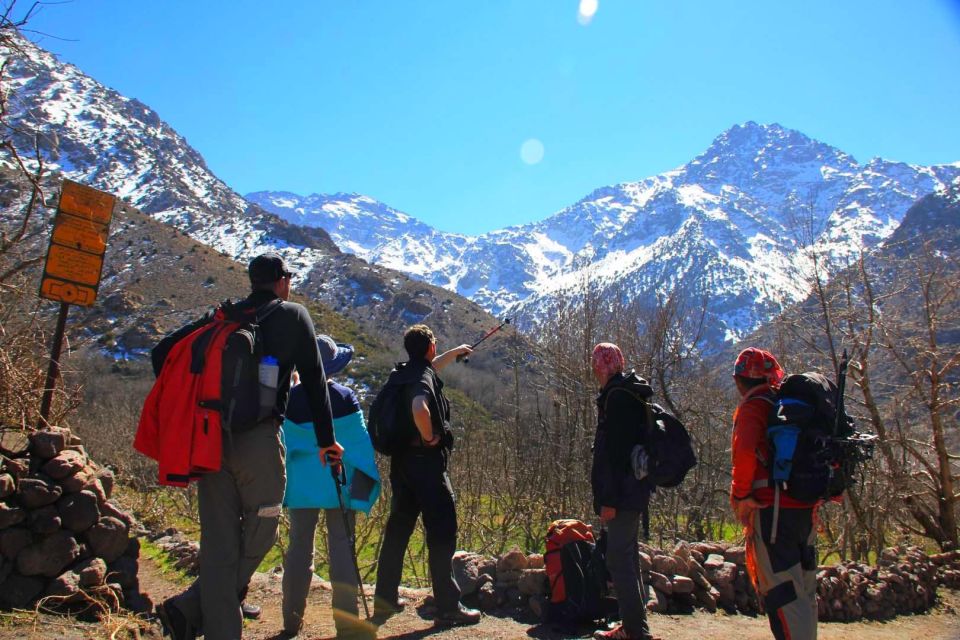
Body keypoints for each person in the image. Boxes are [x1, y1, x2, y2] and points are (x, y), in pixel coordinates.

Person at [158, 253, 343, 640]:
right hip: (258, 440)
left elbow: (162, 353)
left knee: (218, 543)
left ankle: (202, 619)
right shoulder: (293, 316)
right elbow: (314, 382)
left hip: (209, 441)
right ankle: (190, 606)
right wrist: (327, 442)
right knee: (264, 528)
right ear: (281, 280)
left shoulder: (224, 317)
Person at [371, 324, 481, 627]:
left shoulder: (403, 373)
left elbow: (429, 368)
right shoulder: (422, 378)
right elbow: (420, 406)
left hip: (402, 465)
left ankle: (385, 599)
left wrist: (456, 352)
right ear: (430, 346)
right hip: (427, 466)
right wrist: (430, 434)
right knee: (442, 531)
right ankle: (448, 606)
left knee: (399, 529)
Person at [280, 335, 382, 640]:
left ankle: (291, 622)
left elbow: (284, 441)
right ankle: (347, 624)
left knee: (299, 549)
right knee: (342, 550)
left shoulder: (288, 399)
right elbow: (360, 446)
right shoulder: (344, 397)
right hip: (339, 483)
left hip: (300, 486)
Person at [730, 347, 817, 640]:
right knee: (803, 590)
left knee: (782, 592)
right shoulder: (785, 404)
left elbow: (744, 453)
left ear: (739, 380)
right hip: (804, 508)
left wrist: (741, 497)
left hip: (773, 512)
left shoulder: (755, 406)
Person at [589, 343, 658, 640]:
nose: (594, 369)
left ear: (603, 365)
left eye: (596, 363)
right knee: (627, 558)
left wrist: (608, 501)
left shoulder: (616, 399)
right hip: (635, 491)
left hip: (622, 495)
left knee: (618, 560)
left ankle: (636, 633)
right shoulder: (629, 393)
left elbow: (614, 457)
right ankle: (634, 628)